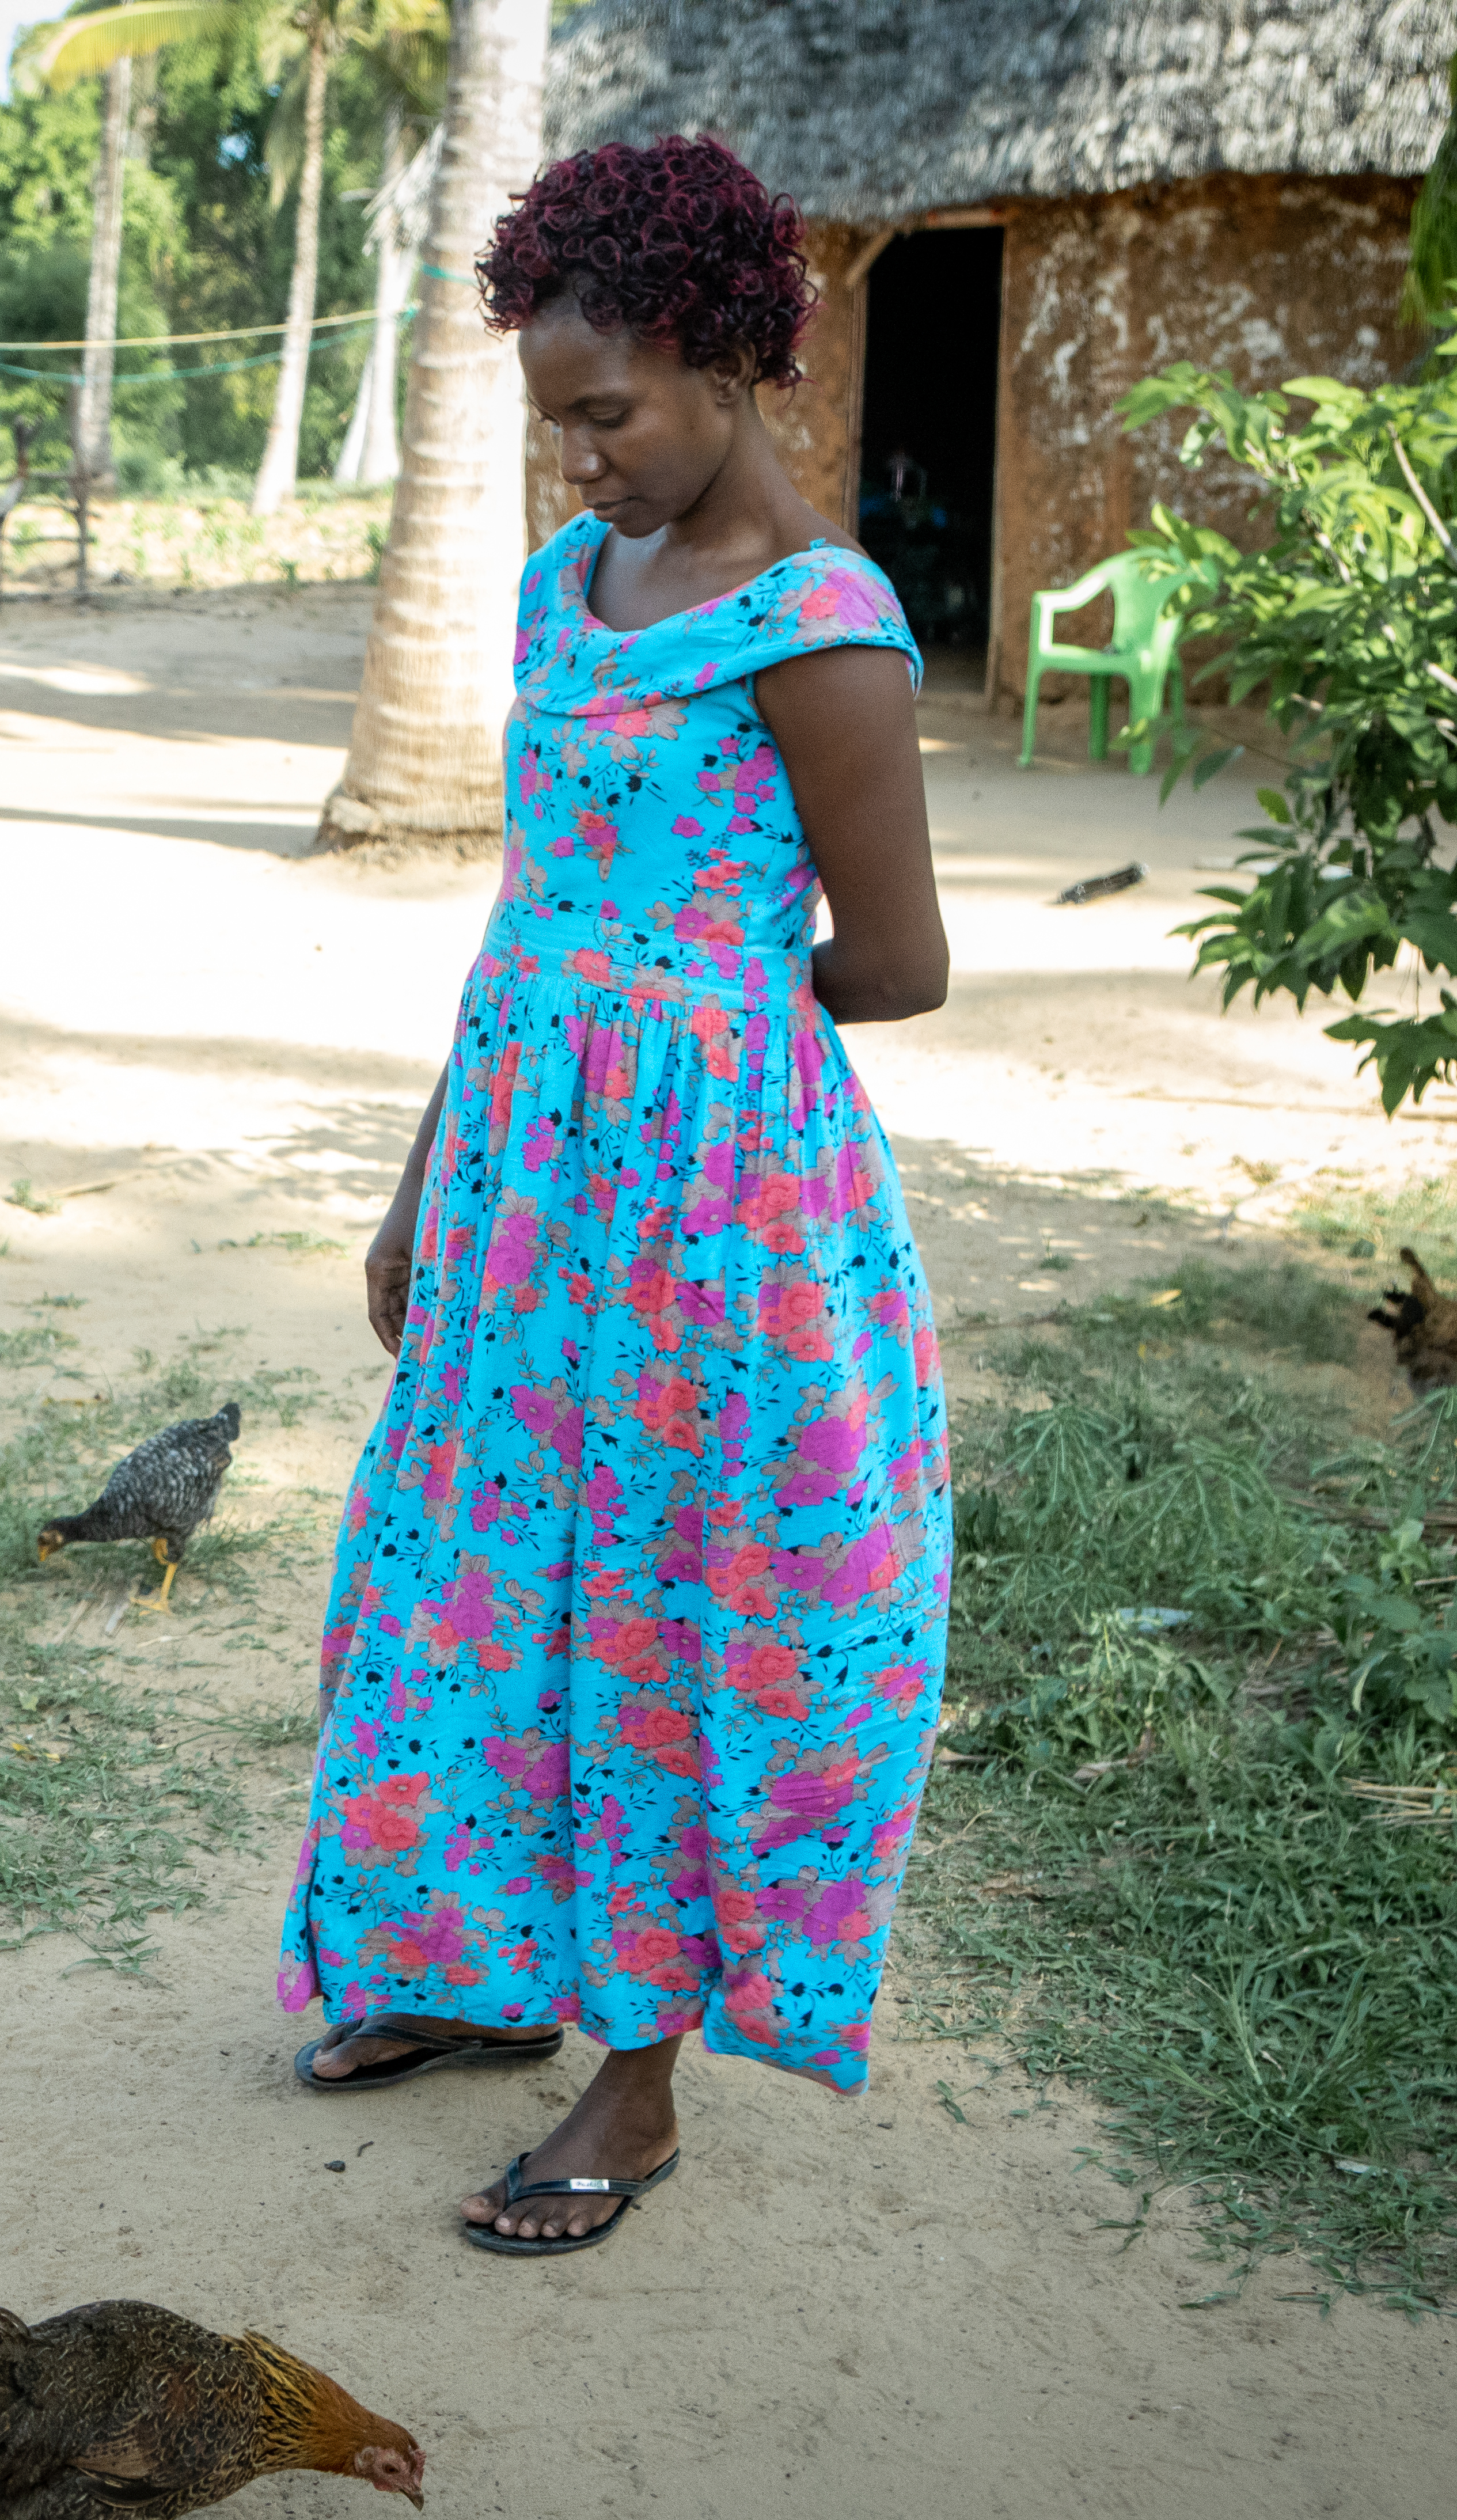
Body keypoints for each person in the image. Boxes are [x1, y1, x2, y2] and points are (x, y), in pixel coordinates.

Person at [276, 134, 954, 2256]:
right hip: (517, 1197)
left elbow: (898, 965)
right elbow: (521, 926)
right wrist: (426, 1183)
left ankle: (637, 2087)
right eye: (553, 415)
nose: (578, 458)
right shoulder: (564, 600)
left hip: (719, 1239)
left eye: (609, 413)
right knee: (472, 1588)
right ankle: (469, 1971)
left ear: (735, 359)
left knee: (676, 1621)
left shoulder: (824, 635)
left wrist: (697, 1035)